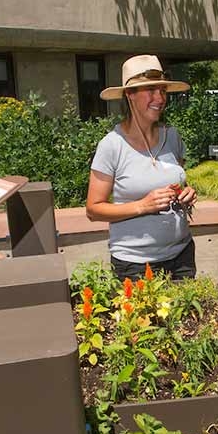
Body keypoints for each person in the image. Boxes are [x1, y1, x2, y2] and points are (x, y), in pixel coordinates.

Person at [86, 55, 198, 280]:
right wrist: (143, 205)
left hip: (182, 256)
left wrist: (187, 193)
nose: (160, 98)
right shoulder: (112, 145)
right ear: (130, 94)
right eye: (150, 90)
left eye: (162, 90)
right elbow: (93, 210)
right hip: (136, 265)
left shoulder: (172, 136)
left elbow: (177, 181)